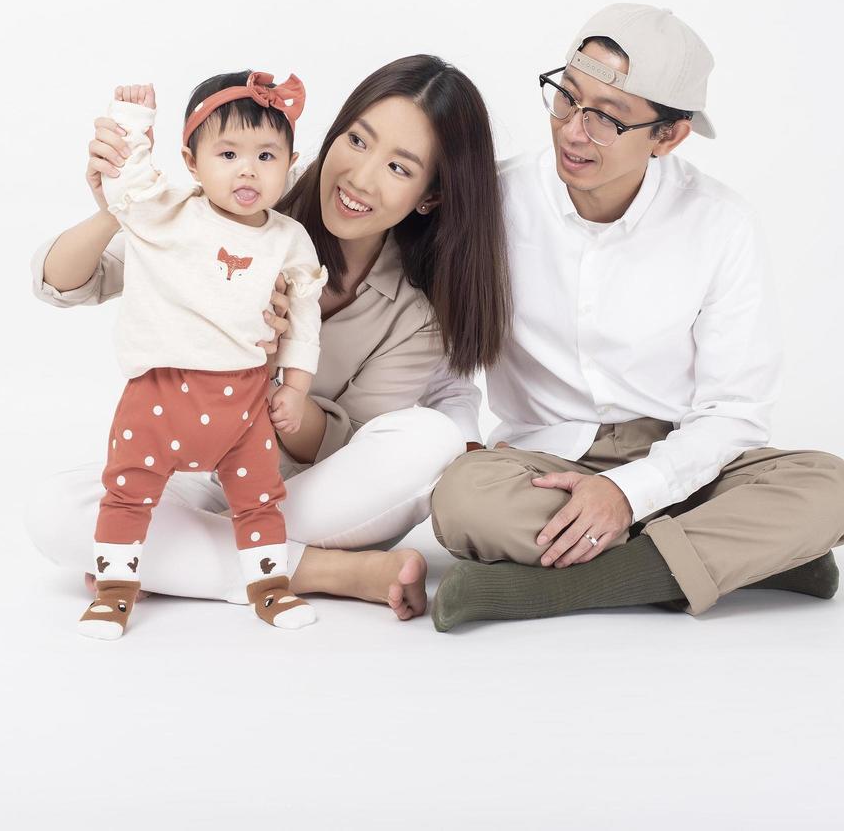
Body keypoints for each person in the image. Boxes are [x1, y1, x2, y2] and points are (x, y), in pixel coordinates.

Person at [429, 4, 844, 630]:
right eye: (566, 99)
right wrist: (461, 436)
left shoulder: (720, 223)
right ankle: (743, 560)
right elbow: (443, 359)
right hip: (543, 460)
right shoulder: (494, 201)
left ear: (668, 136)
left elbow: (734, 411)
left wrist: (631, 492)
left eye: (607, 118)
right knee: (463, 501)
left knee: (833, 489)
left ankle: (555, 589)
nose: (574, 132)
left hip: (682, 457)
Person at [29, 55, 511, 622]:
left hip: (292, 491)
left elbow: (346, 447)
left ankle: (166, 558)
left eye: (399, 168)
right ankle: (325, 572)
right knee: (52, 510)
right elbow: (62, 284)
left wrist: (283, 377)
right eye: (357, 140)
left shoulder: (415, 314)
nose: (360, 177)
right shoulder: (230, 207)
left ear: (429, 195)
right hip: (189, 472)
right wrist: (116, 209)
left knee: (432, 437)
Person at [78, 72, 326, 639]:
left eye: (266, 155)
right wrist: (132, 119)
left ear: (289, 165)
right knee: (126, 494)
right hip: (158, 395)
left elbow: (305, 316)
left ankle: (268, 586)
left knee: (261, 499)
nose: (248, 169)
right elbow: (125, 185)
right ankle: (115, 593)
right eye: (228, 153)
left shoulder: (289, 238)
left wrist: (296, 385)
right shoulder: (167, 212)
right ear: (191, 162)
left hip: (243, 403)